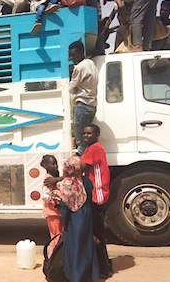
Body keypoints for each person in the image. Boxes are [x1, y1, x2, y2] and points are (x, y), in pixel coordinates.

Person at [57, 156, 100, 282]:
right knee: (86, 244)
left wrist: (64, 221)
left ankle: (75, 276)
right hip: (86, 215)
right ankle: (91, 274)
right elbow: (90, 198)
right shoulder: (86, 182)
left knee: (74, 246)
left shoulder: (66, 184)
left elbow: (65, 206)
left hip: (74, 219)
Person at [98, 0, 163, 52]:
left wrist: (125, 20)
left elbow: (121, 6)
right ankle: (146, 47)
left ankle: (137, 46)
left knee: (135, 19)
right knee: (149, 19)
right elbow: (115, 10)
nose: (110, 0)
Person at [81, 124, 112, 278]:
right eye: (84, 133)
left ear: (97, 134)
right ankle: (101, 266)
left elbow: (79, 168)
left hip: (96, 197)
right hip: (95, 196)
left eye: (89, 133)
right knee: (95, 233)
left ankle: (104, 269)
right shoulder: (92, 148)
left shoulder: (94, 149)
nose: (86, 136)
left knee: (97, 235)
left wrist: (58, 178)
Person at [68, 40, 98, 156]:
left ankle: (81, 168)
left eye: (73, 54)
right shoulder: (91, 64)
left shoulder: (79, 68)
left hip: (81, 106)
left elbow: (71, 88)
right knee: (87, 141)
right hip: (91, 106)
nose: (71, 58)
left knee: (81, 142)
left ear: (81, 52)